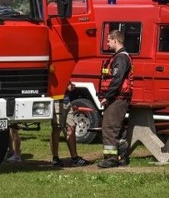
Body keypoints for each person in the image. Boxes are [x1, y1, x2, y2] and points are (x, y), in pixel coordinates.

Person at [98, 30, 133, 168]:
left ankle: (111, 158)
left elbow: (117, 80)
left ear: (115, 40)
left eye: (108, 41)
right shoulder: (121, 57)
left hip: (117, 98)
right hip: (119, 97)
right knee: (118, 128)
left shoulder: (121, 58)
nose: (107, 43)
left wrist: (107, 97)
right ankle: (121, 157)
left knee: (109, 128)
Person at [49, 86, 91, 167]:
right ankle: (55, 158)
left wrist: (70, 86)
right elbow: (54, 86)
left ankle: (75, 158)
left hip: (67, 101)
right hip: (57, 102)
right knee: (57, 129)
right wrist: (66, 88)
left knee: (71, 127)